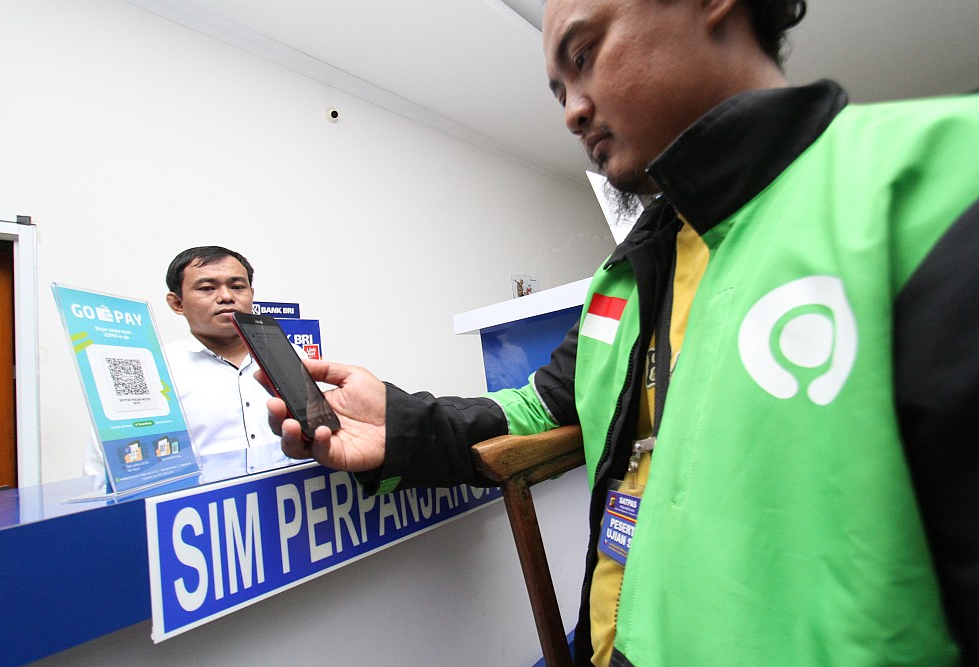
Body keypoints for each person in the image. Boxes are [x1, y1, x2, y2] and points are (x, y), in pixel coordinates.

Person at [265, 0, 978, 664]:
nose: (572, 110)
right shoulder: (626, 274)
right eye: (557, 90)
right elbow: (542, 407)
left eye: (584, 55)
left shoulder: (943, 183)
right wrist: (398, 423)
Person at [85, 246, 301, 475]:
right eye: (207, 288)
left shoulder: (293, 357)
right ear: (177, 303)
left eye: (237, 287)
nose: (227, 297)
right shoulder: (152, 371)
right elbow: (107, 469)